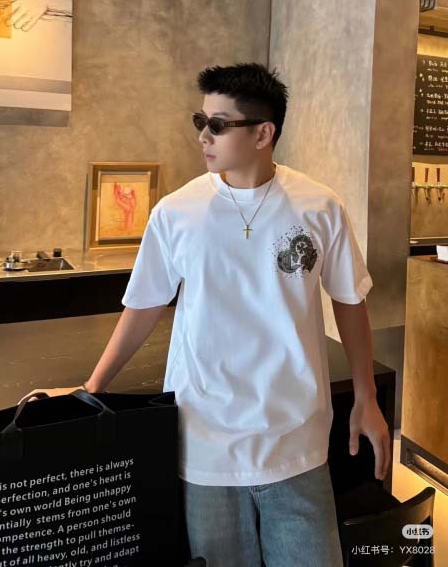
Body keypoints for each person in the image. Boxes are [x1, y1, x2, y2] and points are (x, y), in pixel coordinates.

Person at [21, 62, 391, 566]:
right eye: (201, 121)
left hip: (297, 441)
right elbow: (144, 304)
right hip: (205, 443)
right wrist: (93, 387)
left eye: (218, 124)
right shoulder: (177, 212)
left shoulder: (319, 206)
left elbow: (349, 299)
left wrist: (366, 397)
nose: (203, 136)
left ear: (263, 133)